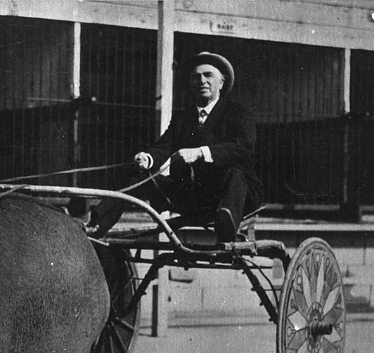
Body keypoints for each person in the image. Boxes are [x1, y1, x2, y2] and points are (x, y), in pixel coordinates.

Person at [86, 52, 262, 243]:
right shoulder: (183, 117)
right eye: (196, 77)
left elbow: (244, 147)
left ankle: (226, 231)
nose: (201, 81)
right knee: (134, 173)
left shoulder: (238, 112)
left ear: (221, 82)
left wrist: (200, 153)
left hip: (232, 197)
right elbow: (164, 146)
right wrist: (147, 157)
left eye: (208, 75)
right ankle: (97, 226)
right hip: (191, 195)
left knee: (234, 173)